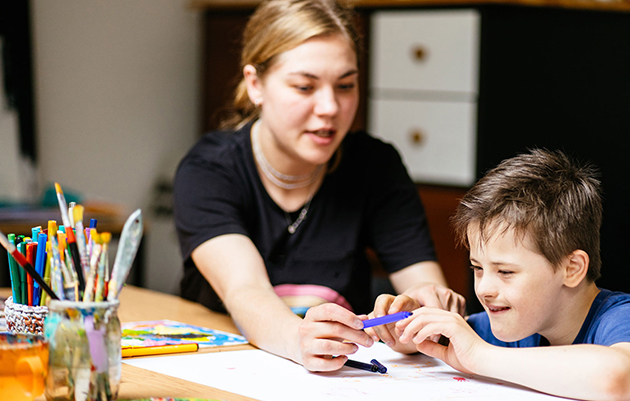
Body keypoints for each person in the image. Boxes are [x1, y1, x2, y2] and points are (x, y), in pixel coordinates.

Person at [173, 0, 465, 372]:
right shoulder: (209, 169)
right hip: (226, 366)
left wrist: (421, 316)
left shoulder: (375, 165)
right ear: (255, 84)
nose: (330, 107)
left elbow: (423, 286)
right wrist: (299, 340)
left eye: (345, 85)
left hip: (340, 379)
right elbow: (245, 290)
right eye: (305, 86)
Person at [394, 149, 630, 401]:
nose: (485, 288)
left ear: (572, 268)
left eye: (505, 272)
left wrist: (478, 355)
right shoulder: (514, 323)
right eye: (478, 268)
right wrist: (407, 334)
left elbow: (615, 378)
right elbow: (449, 343)